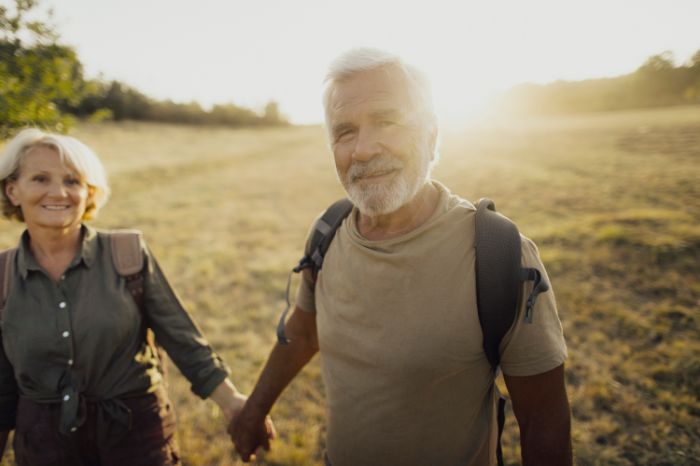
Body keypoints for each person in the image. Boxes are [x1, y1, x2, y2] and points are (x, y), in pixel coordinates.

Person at [228, 48, 572, 466]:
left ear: (430, 134)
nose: (364, 149)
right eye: (344, 131)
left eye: (387, 121)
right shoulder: (328, 233)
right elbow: (303, 333)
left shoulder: (499, 255)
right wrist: (253, 411)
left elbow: (543, 421)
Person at [0, 128, 273, 465]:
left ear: (89, 192)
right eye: (40, 179)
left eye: (72, 181)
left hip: (135, 436)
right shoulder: (3, 276)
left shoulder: (126, 254)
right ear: (12, 190)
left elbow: (181, 337)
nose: (58, 192)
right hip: (44, 446)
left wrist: (232, 403)